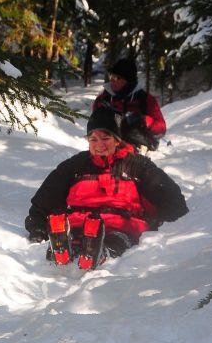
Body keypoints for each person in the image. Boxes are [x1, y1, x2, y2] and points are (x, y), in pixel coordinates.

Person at [25, 106, 187, 269]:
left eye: (105, 138)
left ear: (117, 140)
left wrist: (162, 225)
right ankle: (63, 249)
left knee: (115, 241)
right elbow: (45, 199)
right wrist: (37, 228)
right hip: (78, 224)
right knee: (74, 236)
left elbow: (172, 200)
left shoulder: (137, 166)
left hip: (120, 226)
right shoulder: (75, 166)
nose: (99, 145)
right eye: (93, 139)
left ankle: (100, 252)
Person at [92, 57, 167, 151]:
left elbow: (161, 128)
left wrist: (144, 120)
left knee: (131, 130)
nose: (112, 80)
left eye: (117, 78)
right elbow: (93, 125)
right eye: (111, 76)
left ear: (128, 80)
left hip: (139, 143)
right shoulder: (104, 99)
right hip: (111, 143)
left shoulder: (144, 99)